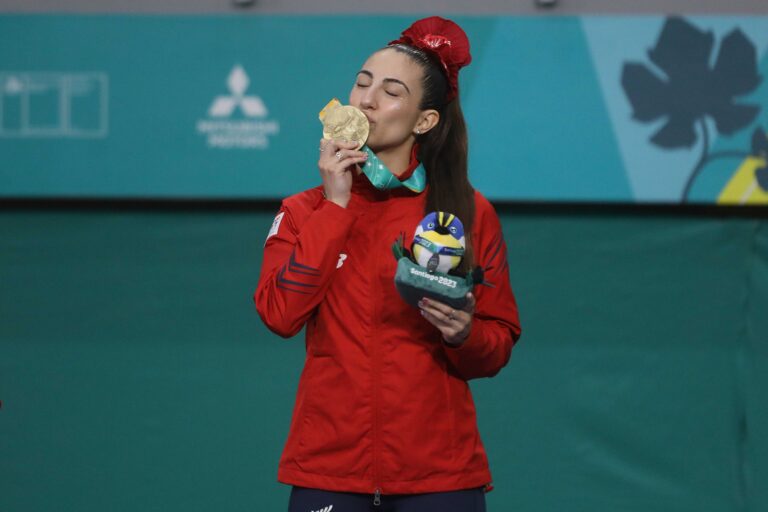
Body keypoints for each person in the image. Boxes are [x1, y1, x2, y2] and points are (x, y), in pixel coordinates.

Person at [254, 16, 521, 512]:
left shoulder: (466, 211)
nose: (366, 100)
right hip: (330, 469)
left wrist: (464, 334)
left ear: (424, 121)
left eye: (391, 91)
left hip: (440, 474)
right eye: (361, 83)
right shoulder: (302, 211)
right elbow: (279, 314)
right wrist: (335, 207)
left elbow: (497, 342)